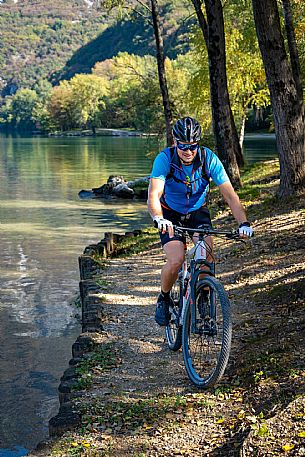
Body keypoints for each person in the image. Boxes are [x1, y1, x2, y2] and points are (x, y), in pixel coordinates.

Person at [147, 116, 253, 326]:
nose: (188, 151)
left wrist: (244, 223)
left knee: (206, 258)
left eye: (192, 146)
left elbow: (230, 196)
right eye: (183, 146)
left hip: (197, 213)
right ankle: (164, 297)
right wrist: (158, 218)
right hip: (170, 214)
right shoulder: (165, 159)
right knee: (177, 259)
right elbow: (154, 194)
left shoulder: (208, 158)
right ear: (175, 142)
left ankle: (204, 297)